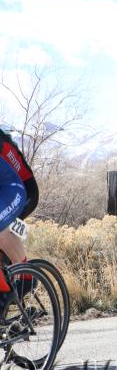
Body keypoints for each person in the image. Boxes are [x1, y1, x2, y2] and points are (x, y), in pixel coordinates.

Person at [0, 129, 39, 304]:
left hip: (25, 190)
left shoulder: (2, 143)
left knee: (5, 230)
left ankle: (26, 275)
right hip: (5, 190)